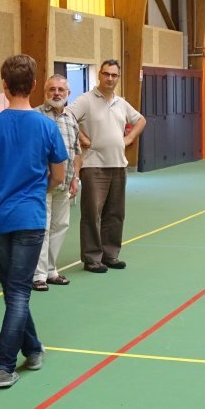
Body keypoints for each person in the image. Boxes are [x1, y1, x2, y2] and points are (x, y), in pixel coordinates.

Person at [0, 54, 67, 388]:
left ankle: (25, 352)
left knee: (14, 290)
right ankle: (9, 363)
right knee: (17, 291)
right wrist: (35, 191)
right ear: (34, 85)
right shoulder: (47, 126)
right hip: (30, 218)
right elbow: (58, 176)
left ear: (4, 86)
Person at [66, 59, 146, 273]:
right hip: (94, 166)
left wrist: (129, 139)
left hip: (118, 165)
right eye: (106, 74)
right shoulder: (86, 100)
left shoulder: (121, 103)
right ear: (100, 75)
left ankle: (110, 255)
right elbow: (67, 116)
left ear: (118, 78)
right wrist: (82, 137)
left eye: (114, 75)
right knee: (92, 214)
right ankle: (92, 258)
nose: (110, 78)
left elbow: (140, 120)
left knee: (115, 213)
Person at [32, 74, 82, 292]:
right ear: (45, 92)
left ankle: (51, 270)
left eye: (61, 90)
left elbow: (77, 151)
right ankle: (38, 275)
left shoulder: (71, 118)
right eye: (52, 89)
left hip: (65, 182)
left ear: (68, 93)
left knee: (60, 226)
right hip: (43, 183)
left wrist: (75, 178)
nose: (56, 93)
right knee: (42, 228)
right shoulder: (35, 116)